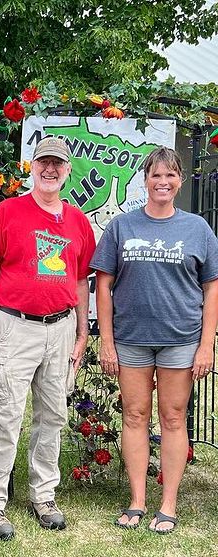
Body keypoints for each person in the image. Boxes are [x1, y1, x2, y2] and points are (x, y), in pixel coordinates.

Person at [91, 145, 218, 534]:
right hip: (131, 339)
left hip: (180, 338)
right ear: (144, 181)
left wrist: (206, 344)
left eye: (170, 176)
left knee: (174, 417)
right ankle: (137, 500)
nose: (162, 182)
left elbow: (212, 287)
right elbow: (103, 285)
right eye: (155, 176)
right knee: (134, 416)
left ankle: (169, 503)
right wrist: (107, 342)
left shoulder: (197, 228)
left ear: (179, 182)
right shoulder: (121, 227)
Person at [0, 136, 96, 540]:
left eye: (57, 164)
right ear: (32, 166)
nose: (50, 169)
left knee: (53, 417)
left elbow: (80, 280)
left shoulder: (78, 221)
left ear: (67, 171)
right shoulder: (8, 213)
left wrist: (82, 332)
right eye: (43, 161)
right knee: (6, 416)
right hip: (15, 327)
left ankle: (43, 496)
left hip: (61, 330)